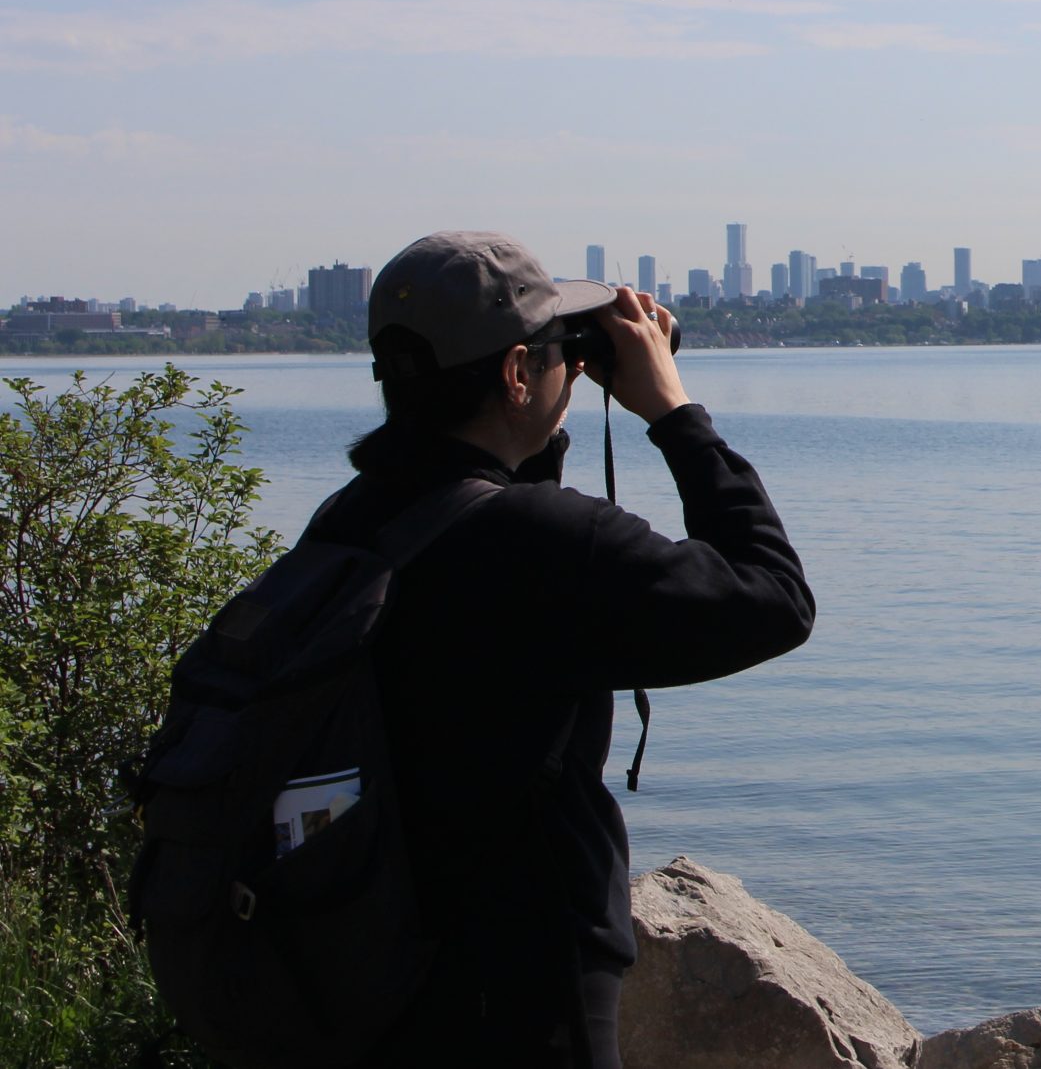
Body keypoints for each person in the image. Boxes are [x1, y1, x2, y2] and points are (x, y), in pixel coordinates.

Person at [306, 230, 815, 1067]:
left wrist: (529, 431)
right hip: (519, 990)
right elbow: (773, 599)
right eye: (554, 351)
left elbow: (487, 532)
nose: (571, 366)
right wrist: (676, 415)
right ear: (514, 374)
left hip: (361, 968)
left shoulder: (350, 522)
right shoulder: (545, 548)